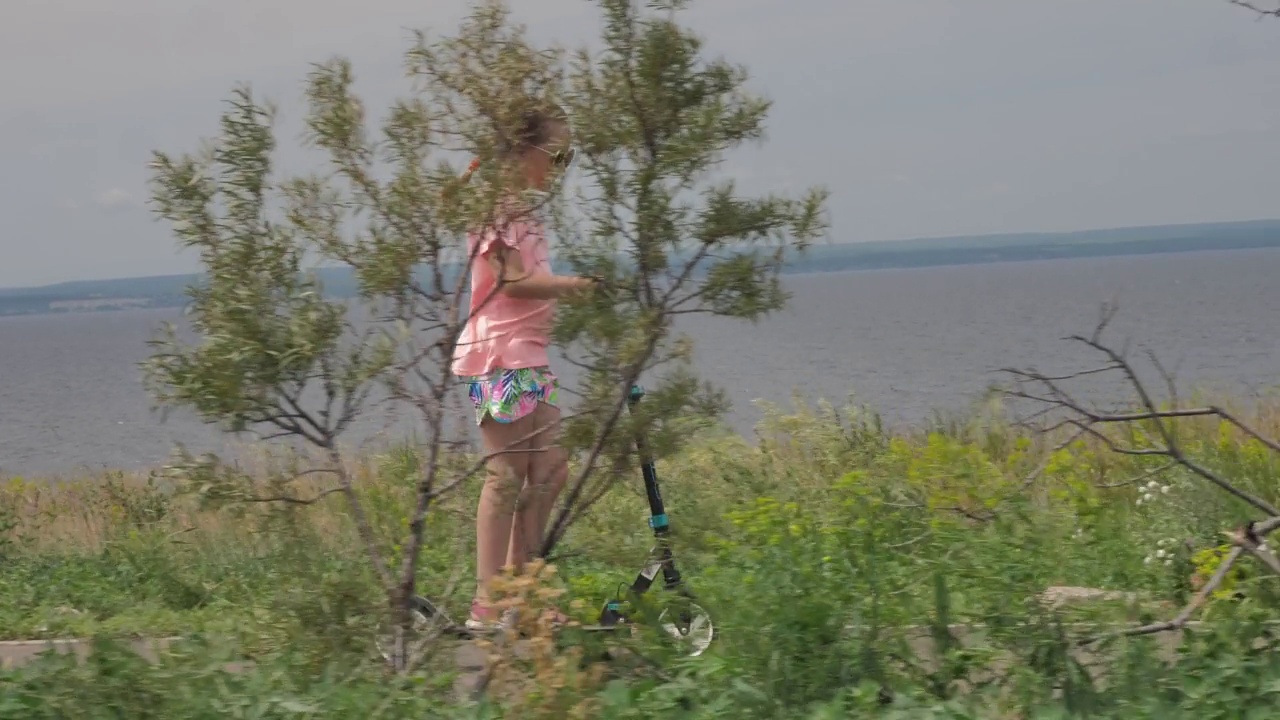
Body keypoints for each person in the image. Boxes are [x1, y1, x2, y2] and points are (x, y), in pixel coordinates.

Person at [450, 102, 600, 631]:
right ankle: (489, 601)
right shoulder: (497, 206)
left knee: (551, 471)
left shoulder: (522, 209)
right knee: (508, 476)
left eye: (568, 156)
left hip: (528, 353)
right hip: (499, 354)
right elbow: (512, 282)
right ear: (525, 149)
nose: (561, 166)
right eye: (557, 153)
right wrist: (573, 287)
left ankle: (526, 592)